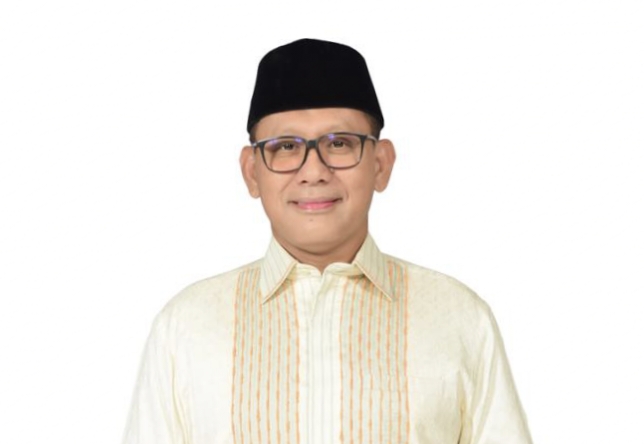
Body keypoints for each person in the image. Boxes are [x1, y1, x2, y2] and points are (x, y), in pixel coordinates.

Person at [122, 38, 532, 444]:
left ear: (380, 164)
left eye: (339, 143)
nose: (314, 171)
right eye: (285, 147)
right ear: (251, 172)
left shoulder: (458, 319)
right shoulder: (186, 328)